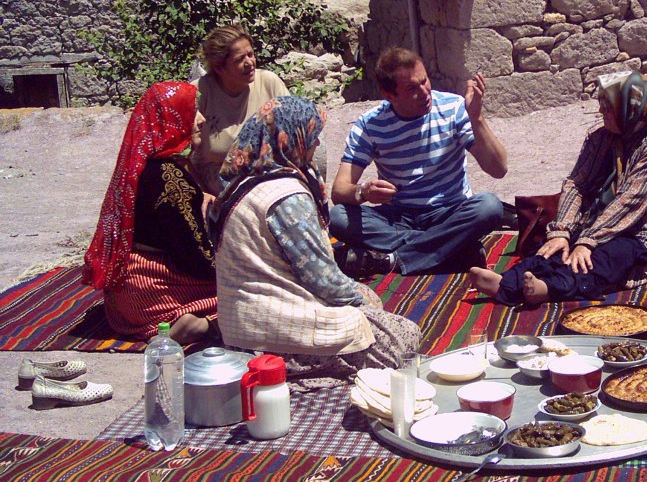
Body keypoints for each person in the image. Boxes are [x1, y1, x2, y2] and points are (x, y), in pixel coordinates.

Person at [211, 96, 420, 377]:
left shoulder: (247, 180)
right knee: (403, 336)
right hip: (267, 335)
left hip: (241, 321)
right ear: (291, 137)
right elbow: (321, 278)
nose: (317, 144)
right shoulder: (286, 197)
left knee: (367, 297)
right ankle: (289, 367)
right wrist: (359, 302)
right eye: (313, 136)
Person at [470, 71, 647, 305]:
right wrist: (561, 232)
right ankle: (508, 281)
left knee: (606, 257)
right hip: (599, 222)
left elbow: (630, 202)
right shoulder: (600, 137)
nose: (601, 112)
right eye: (601, 105)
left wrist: (588, 240)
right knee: (553, 250)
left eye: (608, 107)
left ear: (630, 109)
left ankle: (547, 288)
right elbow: (577, 184)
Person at [329, 47, 508, 277]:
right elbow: (340, 190)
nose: (425, 92)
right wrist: (363, 191)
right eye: (412, 88)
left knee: (489, 206)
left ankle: (391, 260)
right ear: (389, 95)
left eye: (425, 81)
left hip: (450, 212)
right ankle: (454, 250)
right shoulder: (370, 125)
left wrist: (477, 118)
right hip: (400, 217)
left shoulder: (453, 108)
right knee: (339, 217)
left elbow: (499, 169)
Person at [83, 81, 217, 345]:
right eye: (192, 112)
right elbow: (195, 258)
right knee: (248, 293)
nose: (201, 121)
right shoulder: (170, 177)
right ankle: (193, 324)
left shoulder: (147, 165)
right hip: (152, 293)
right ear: (172, 119)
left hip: (124, 298)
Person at [192, 24, 288, 194]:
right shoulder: (200, 94)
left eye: (250, 54)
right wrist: (201, 194)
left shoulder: (269, 82)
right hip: (216, 191)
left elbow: (293, 128)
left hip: (266, 179)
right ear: (219, 68)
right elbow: (180, 155)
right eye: (239, 59)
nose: (249, 62)